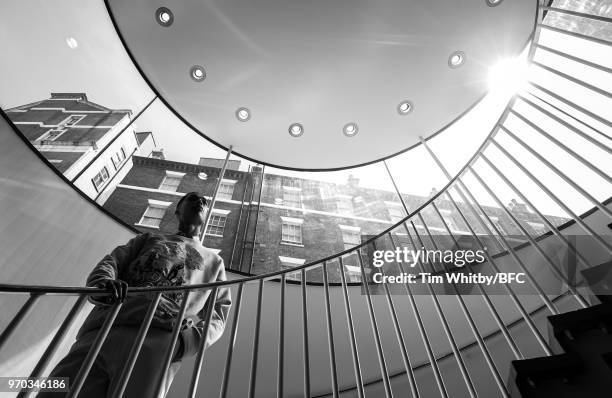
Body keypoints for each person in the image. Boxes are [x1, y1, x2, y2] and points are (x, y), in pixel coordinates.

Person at [39, 192, 232, 398]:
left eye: (204, 200)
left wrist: (186, 341)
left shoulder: (214, 262)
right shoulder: (148, 239)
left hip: (158, 339)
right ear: (177, 209)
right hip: (104, 327)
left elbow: (218, 315)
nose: (200, 201)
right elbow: (111, 262)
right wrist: (103, 284)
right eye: (192, 198)